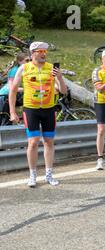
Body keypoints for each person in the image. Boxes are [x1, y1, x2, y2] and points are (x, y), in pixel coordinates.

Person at [9, 42, 67, 187]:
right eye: (40, 51)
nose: (43, 54)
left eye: (45, 51)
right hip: (31, 110)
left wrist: (59, 78)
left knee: (48, 142)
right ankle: (32, 175)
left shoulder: (52, 69)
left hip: (49, 109)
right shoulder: (24, 68)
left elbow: (64, 91)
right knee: (33, 141)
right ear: (32, 53)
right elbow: (13, 90)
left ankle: (49, 174)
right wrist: (12, 111)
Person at [0, 53, 29, 120]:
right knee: (6, 122)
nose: (29, 62)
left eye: (30, 60)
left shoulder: (28, 69)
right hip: (4, 97)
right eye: (27, 60)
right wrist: (26, 89)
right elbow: (11, 88)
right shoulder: (15, 70)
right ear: (19, 61)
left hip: (14, 95)